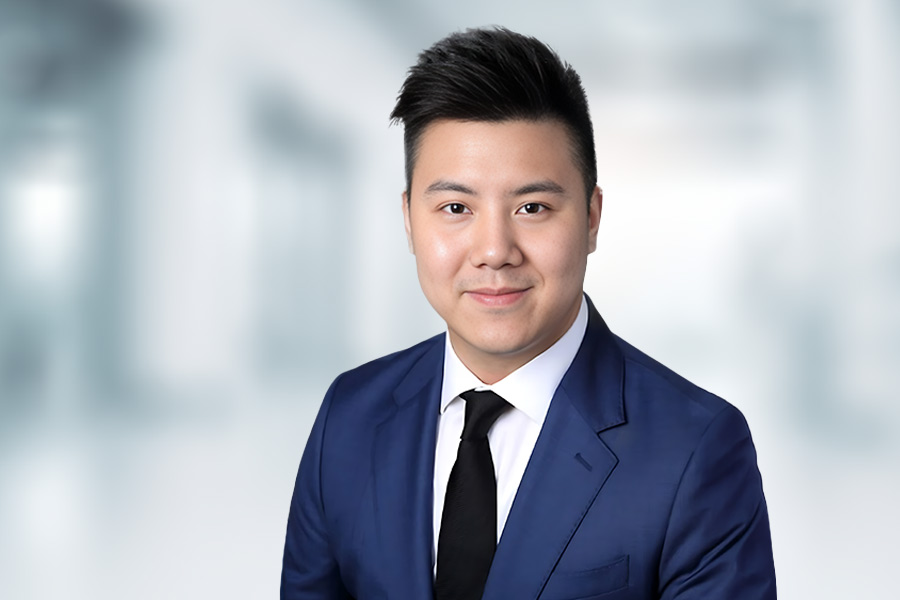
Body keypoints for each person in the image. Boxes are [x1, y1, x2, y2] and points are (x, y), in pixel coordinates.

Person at [281, 27, 776, 600]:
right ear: (410, 220)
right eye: (455, 207)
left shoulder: (696, 449)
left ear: (591, 218)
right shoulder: (349, 415)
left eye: (533, 207)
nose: (494, 250)